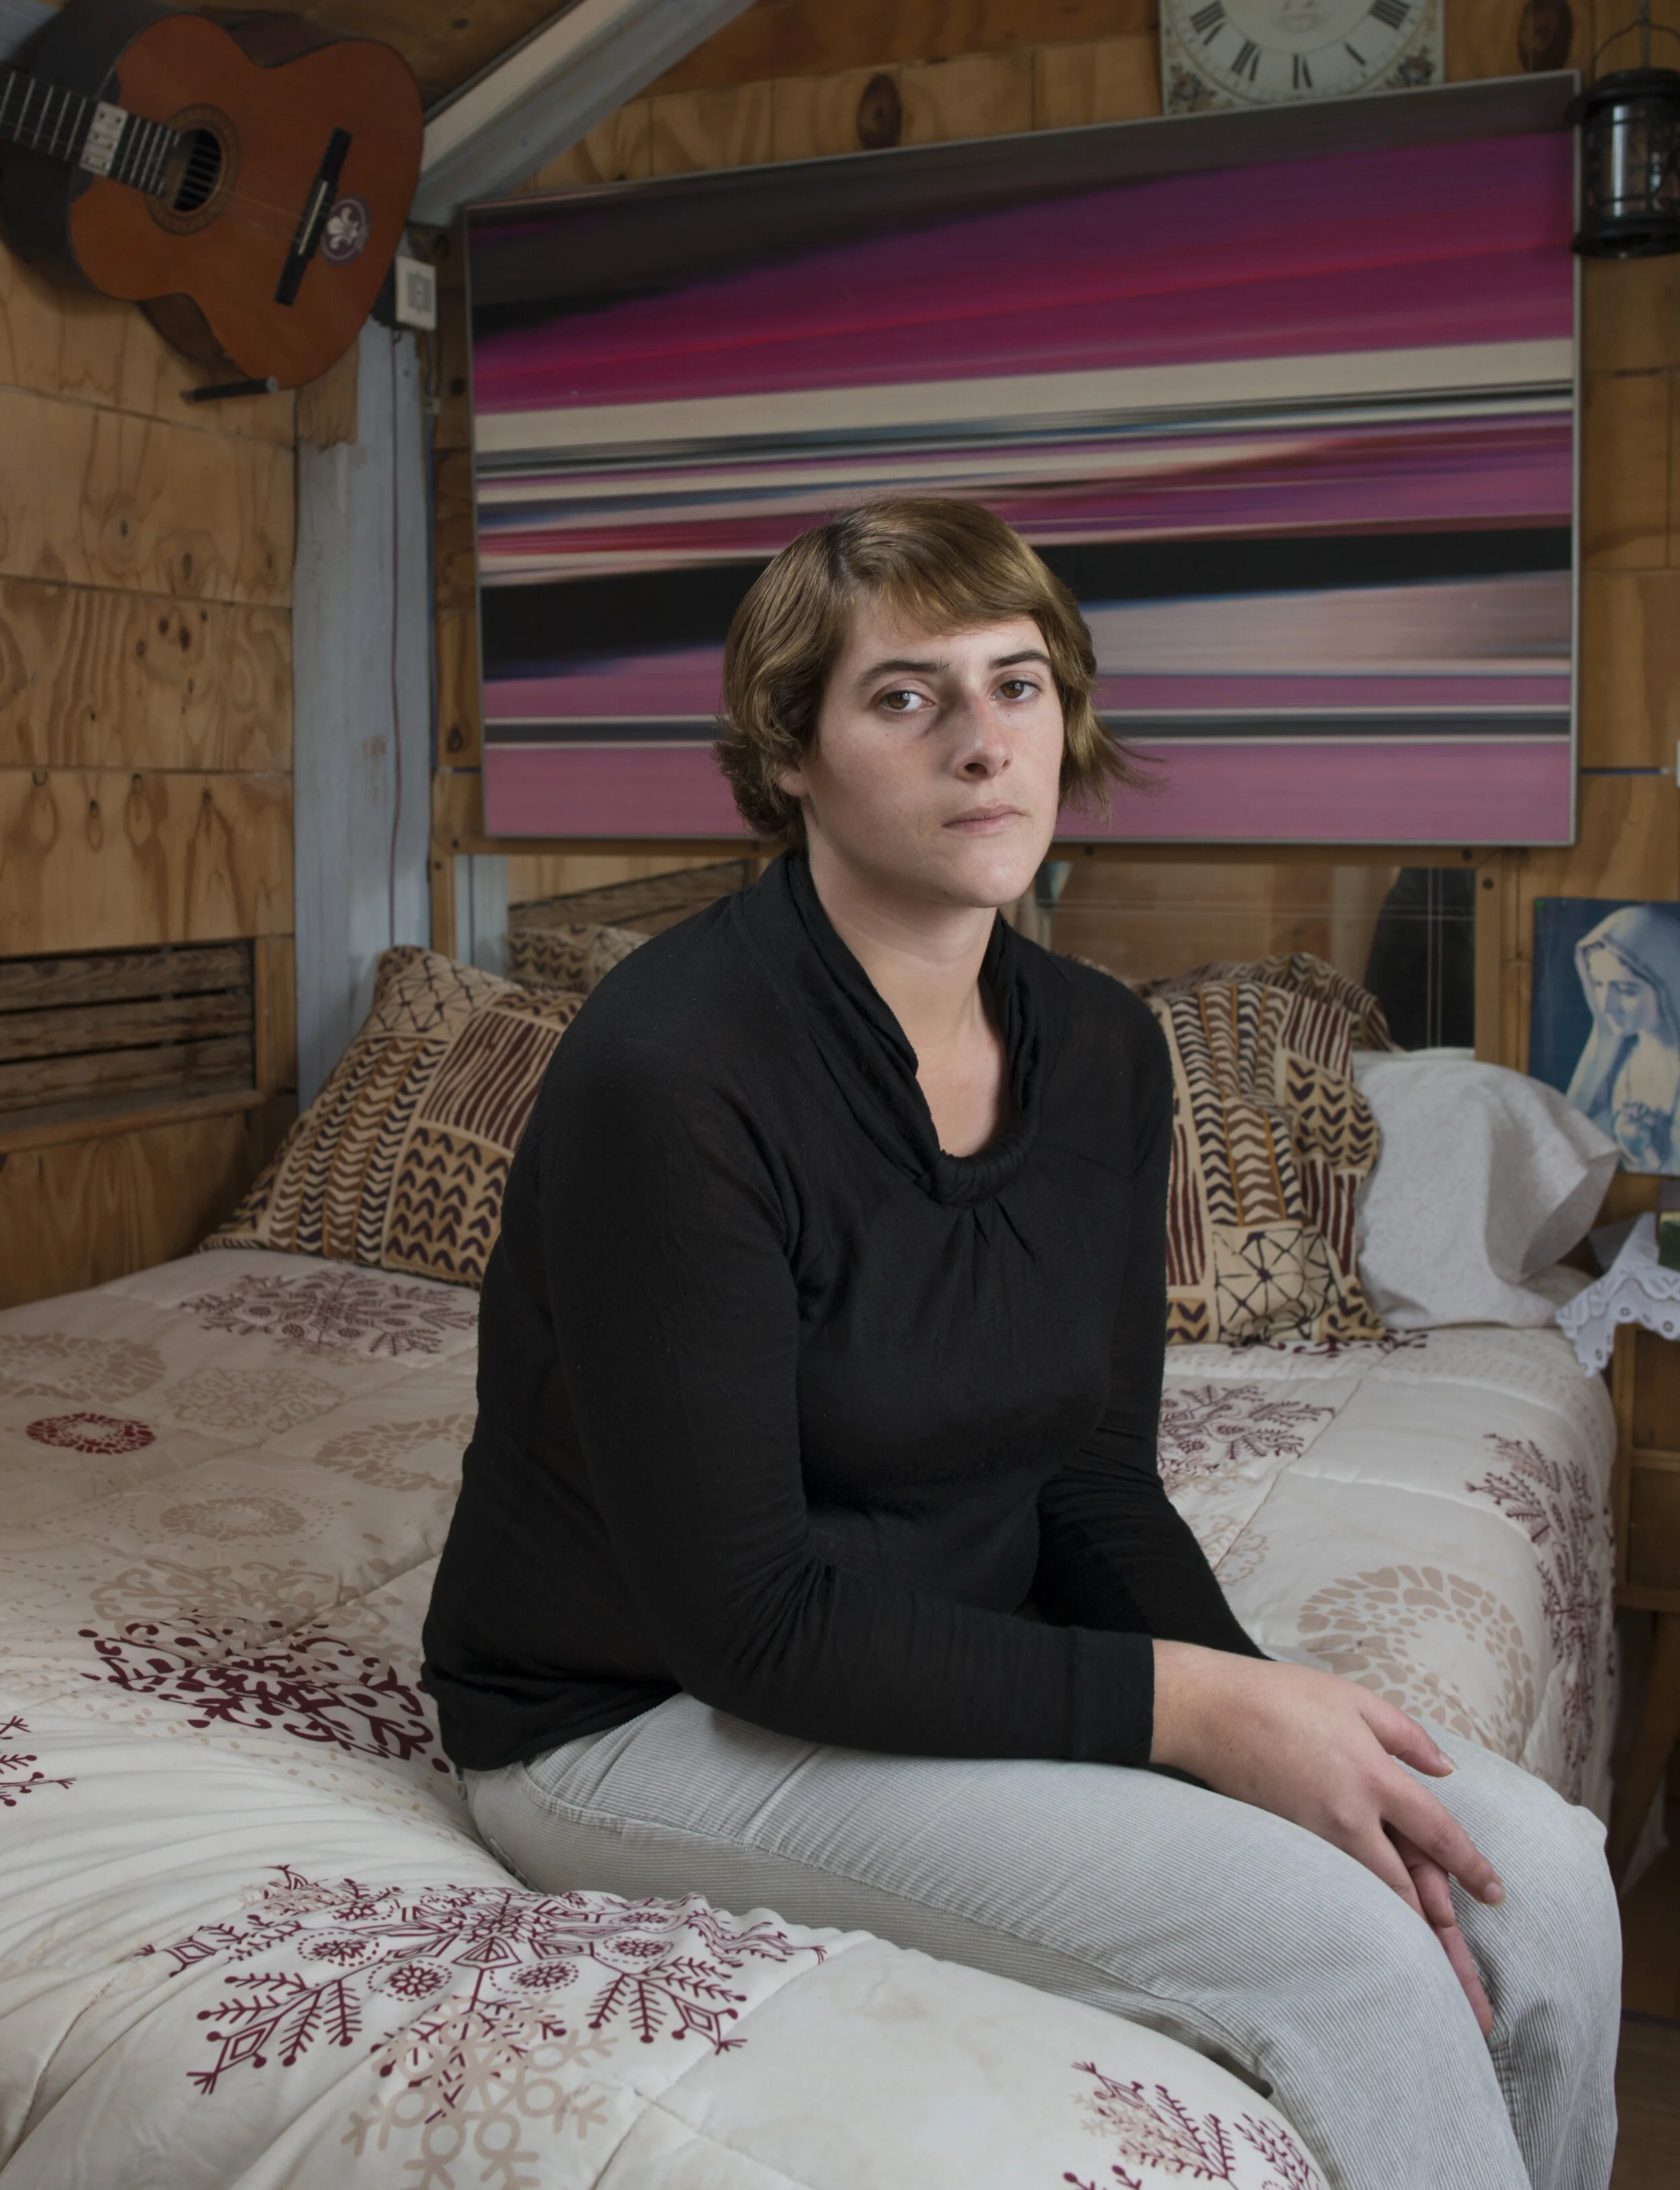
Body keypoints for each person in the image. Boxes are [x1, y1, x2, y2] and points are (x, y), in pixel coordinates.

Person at [423, 501, 1617, 2190]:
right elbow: (744, 1621)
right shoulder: (670, 1070)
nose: (984, 743)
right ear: (790, 753)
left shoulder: (1103, 1048)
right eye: (905, 697)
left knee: (1543, 1874)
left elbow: (1089, 1479)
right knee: (1346, 1948)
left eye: (1019, 683)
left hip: (933, 1642)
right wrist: (1189, 1713)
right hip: (633, 1714)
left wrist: (1265, 1718)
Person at [1567, 902, 1680, 1172]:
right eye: (1599, 984)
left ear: (1669, 989)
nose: (1607, 1006)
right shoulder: (1615, 1061)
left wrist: (1646, 1150)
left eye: (1627, 990)